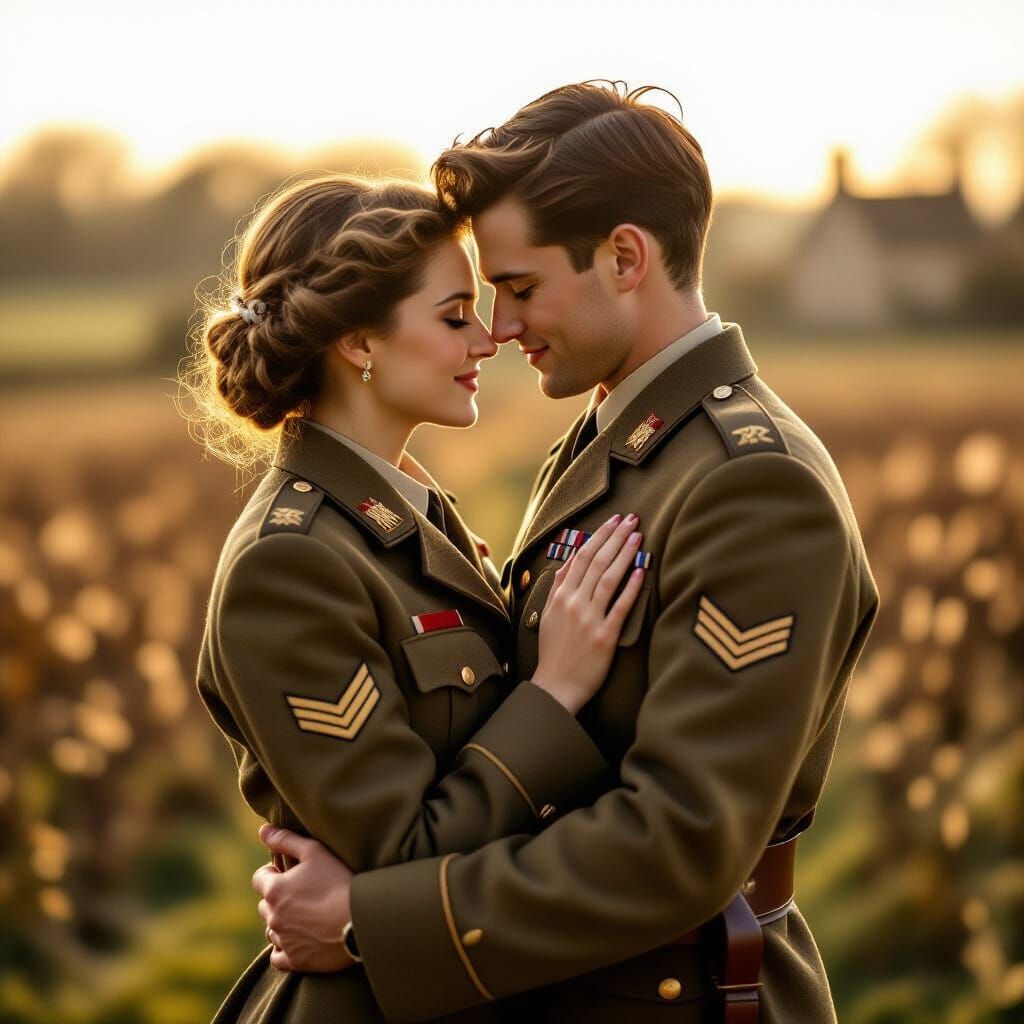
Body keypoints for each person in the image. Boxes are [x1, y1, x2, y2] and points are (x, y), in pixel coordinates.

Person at [254, 81, 881, 1023]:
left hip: (688, 992)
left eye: (519, 289)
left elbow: (682, 838)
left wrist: (367, 924)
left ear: (625, 257)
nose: (500, 330)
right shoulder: (616, 441)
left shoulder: (753, 483)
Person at [184, 173, 650, 1023]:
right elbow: (402, 850)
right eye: (453, 315)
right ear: (360, 342)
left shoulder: (405, 510)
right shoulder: (289, 565)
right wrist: (556, 692)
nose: (488, 338)